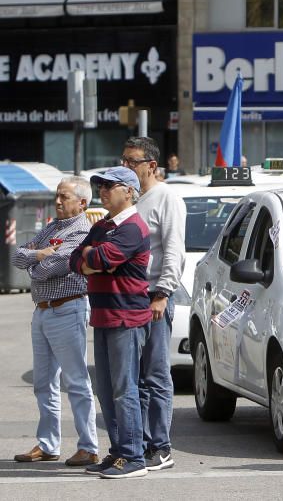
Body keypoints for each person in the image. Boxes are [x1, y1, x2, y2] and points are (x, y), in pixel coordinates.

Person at [69, 167, 151, 479]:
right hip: (104, 316)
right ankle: (118, 452)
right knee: (106, 389)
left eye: (109, 186)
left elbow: (100, 260)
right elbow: (76, 259)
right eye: (100, 186)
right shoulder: (103, 225)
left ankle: (133, 456)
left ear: (129, 191)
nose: (102, 191)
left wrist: (92, 259)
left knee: (124, 389)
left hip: (125, 317)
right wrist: (91, 258)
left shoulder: (132, 227)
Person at [12, 177, 99, 467]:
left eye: (64, 197)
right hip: (43, 310)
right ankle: (49, 444)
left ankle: (88, 445)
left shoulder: (83, 231)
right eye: (57, 196)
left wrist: (38, 261)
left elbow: (50, 267)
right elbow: (18, 256)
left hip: (68, 309)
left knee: (75, 381)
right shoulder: (51, 227)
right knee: (44, 382)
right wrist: (38, 254)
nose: (58, 201)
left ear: (82, 202)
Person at [121, 137, 185, 473]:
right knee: (135, 378)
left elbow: (174, 249)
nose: (127, 167)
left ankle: (161, 446)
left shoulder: (166, 197)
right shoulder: (131, 200)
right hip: (129, 296)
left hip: (154, 296)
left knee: (156, 374)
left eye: (132, 161)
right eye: (124, 160)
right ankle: (142, 444)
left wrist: (162, 293)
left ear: (151, 166)